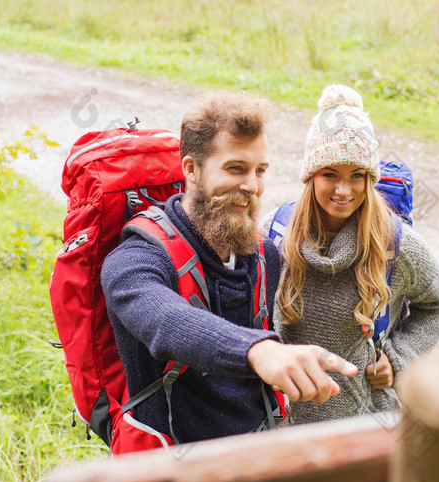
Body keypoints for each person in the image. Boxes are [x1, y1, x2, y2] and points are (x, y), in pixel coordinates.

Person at [101, 91, 357, 446]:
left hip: (254, 455)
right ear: (191, 169)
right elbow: (165, 321)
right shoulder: (137, 259)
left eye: (260, 171)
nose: (252, 186)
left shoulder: (264, 253)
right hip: (171, 472)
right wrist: (259, 351)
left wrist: (387, 354)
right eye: (236, 168)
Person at [273, 84, 439, 424]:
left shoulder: (396, 245)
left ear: (370, 179)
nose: (343, 190)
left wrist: (400, 358)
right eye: (330, 174)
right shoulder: (277, 232)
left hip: (362, 423)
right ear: (310, 175)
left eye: (356, 176)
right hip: (281, 424)